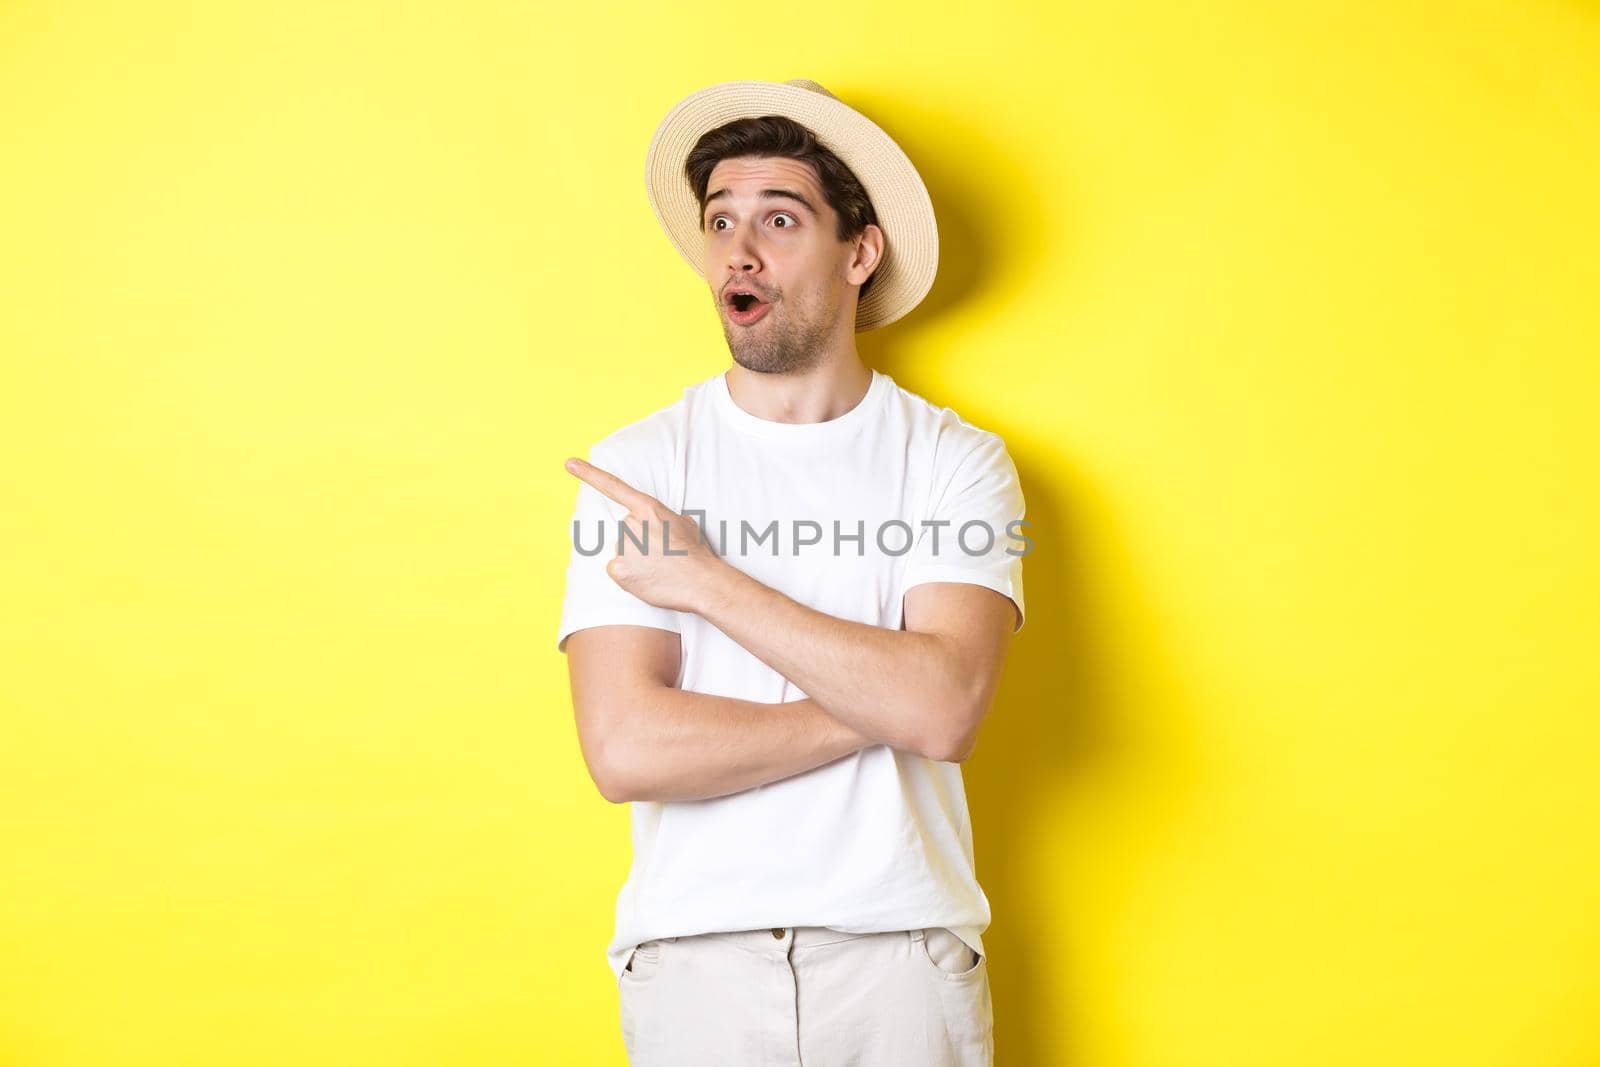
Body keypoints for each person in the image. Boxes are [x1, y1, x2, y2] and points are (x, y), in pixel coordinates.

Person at [557, 78, 1027, 1066]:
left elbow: (944, 710)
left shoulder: (953, 460)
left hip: (900, 956)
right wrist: (886, 695)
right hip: (693, 964)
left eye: (779, 217)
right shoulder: (637, 467)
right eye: (720, 219)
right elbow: (626, 745)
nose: (738, 248)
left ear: (859, 251)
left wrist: (706, 582)